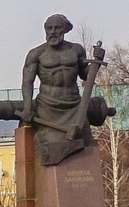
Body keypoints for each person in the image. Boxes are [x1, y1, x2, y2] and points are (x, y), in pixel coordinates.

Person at [20, 14, 105, 166]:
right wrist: (27, 108)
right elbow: (27, 82)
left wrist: (97, 62)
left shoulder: (76, 50)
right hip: (48, 107)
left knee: (86, 144)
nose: (52, 32)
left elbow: (86, 75)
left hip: (74, 106)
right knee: (51, 144)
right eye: (49, 28)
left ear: (65, 29)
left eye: (57, 28)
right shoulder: (36, 54)